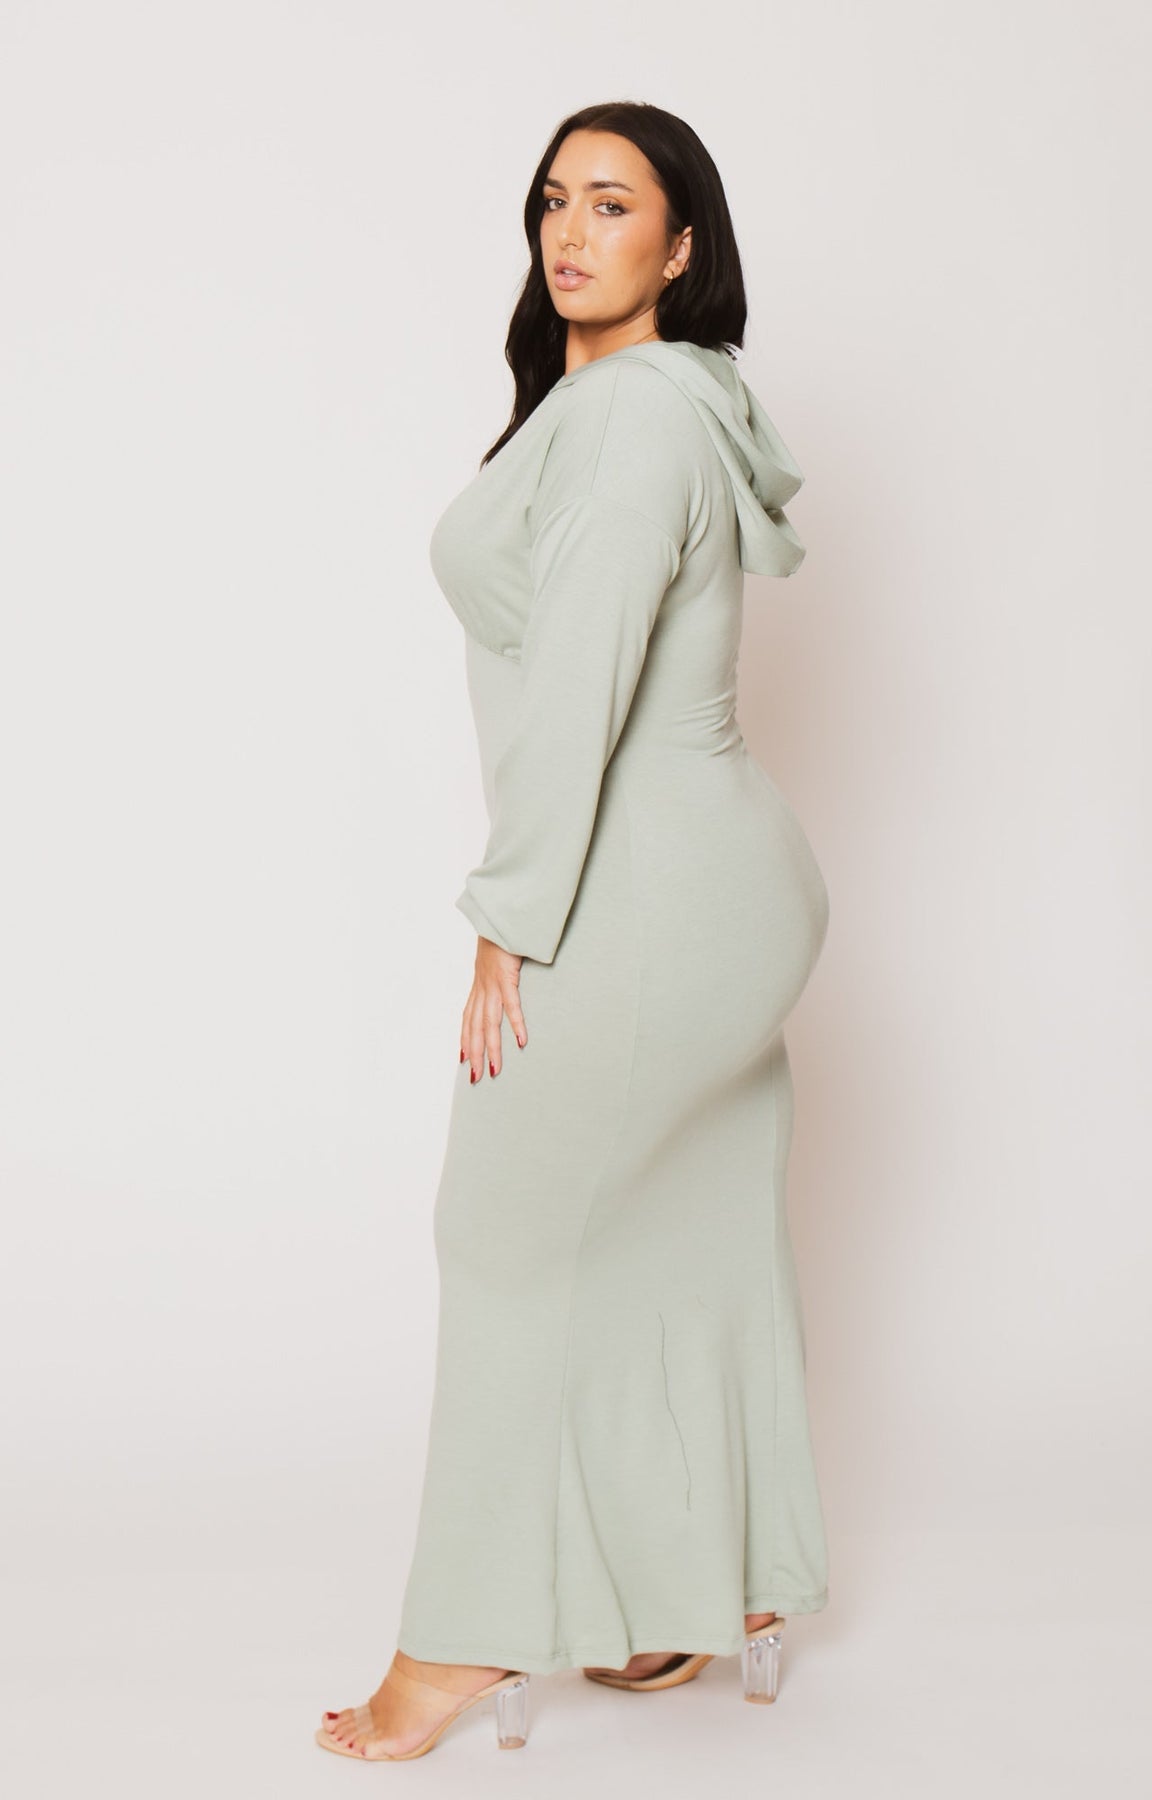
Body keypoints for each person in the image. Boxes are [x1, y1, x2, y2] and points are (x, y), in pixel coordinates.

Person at [316, 99, 831, 1763]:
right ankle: (705, 1588)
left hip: (649, 888)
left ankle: (460, 1644)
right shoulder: (662, 401)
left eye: (615, 203)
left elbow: (582, 696)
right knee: (688, 1230)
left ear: (682, 247)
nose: (571, 229)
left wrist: (508, 920)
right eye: (554, 198)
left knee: (501, 1237)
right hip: (720, 883)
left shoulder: (631, 422)